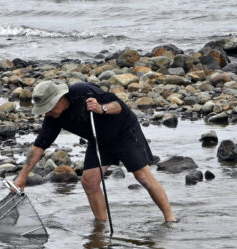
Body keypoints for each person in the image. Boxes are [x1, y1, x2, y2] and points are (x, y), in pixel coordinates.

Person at [12, 80, 177, 223]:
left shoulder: (83, 92)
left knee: (143, 177)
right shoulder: (53, 118)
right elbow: (39, 146)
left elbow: (118, 105)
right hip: (99, 141)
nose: (46, 113)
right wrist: (22, 177)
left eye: (47, 107)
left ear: (58, 99)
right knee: (89, 182)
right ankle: (101, 224)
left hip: (124, 133)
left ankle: (170, 219)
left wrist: (101, 108)